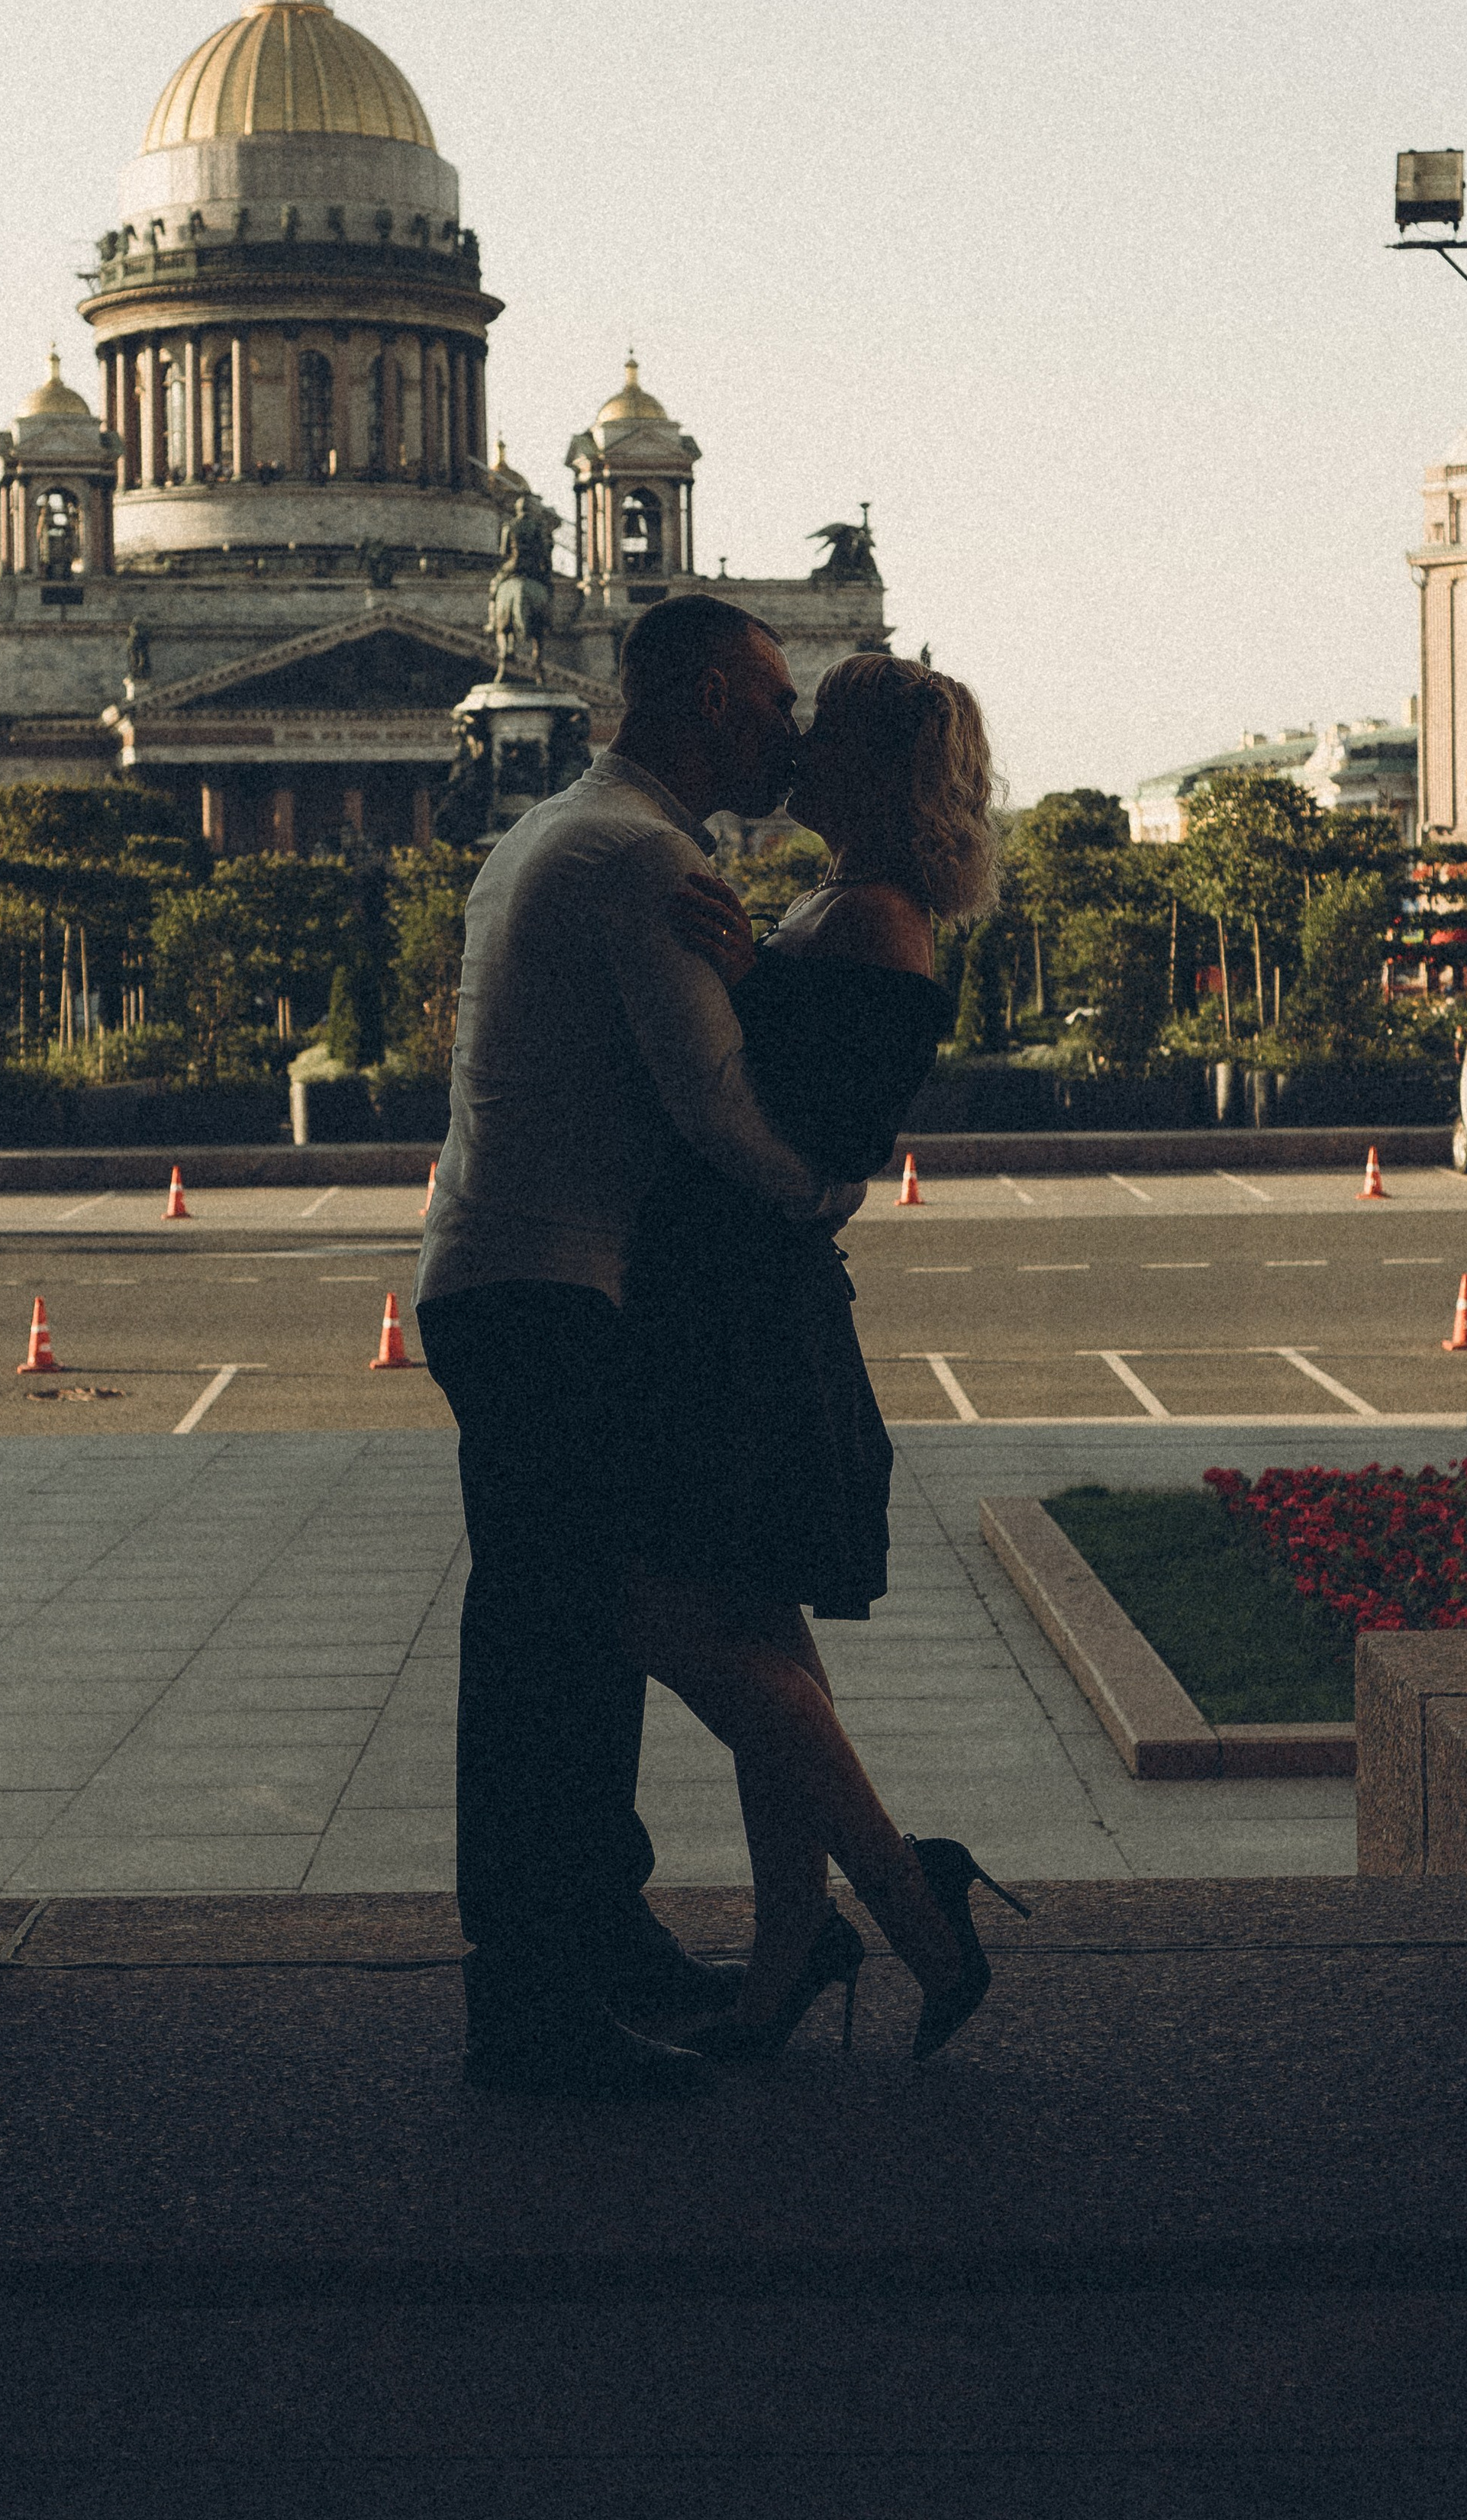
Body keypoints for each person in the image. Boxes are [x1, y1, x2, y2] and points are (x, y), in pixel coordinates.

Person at [414, 594, 865, 2100]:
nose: (792, 728)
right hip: (552, 1294)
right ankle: (531, 2009)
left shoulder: (566, 828)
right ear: (711, 698)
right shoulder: (638, 857)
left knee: (576, 1646)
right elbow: (715, 1103)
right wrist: (827, 1191)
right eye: (776, 699)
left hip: (508, 1277)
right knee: (549, 1666)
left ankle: (599, 1949)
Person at [630, 651, 1029, 2063]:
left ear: (869, 764)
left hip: (751, 1313)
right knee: (759, 1630)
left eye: (820, 725)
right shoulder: (841, 899)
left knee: (667, 1613)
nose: (790, 738)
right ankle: (789, 1955)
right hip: (742, 1298)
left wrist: (748, 977)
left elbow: (844, 1125)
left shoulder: (875, 916)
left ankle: (909, 1895)